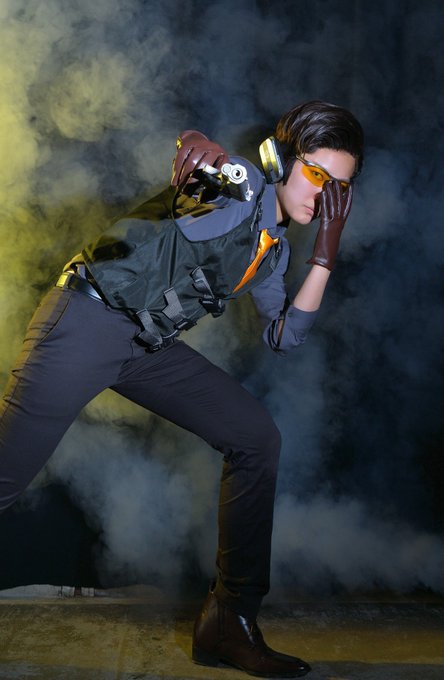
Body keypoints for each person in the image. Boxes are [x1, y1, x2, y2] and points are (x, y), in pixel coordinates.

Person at [0, 100, 364, 677]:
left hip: (145, 348)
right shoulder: (242, 186)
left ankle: (228, 624)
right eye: (317, 175)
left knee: (255, 438)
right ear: (280, 160)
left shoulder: (272, 253)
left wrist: (325, 253)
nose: (324, 197)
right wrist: (199, 149)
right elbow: (205, 170)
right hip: (86, 324)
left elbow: (284, 337)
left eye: (338, 188)